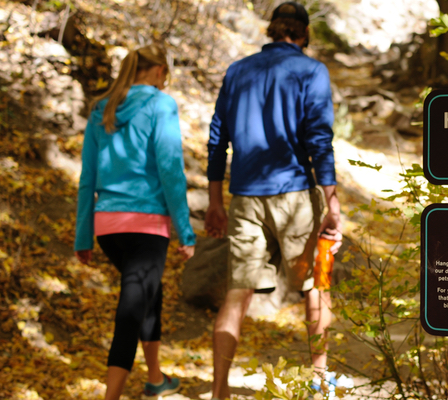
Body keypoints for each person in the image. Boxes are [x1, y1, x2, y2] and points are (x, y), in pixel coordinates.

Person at [204, 2, 343, 398]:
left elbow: (218, 140)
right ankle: (319, 383)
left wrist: (215, 200)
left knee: (236, 294)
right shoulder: (311, 71)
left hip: (245, 197)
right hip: (296, 194)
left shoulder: (238, 70)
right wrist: (331, 202)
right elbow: (320, 141)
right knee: (316, 286)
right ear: (303, 34)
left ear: (272, 30)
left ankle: (218, 391)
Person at [73, 43, 196, 400]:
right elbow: (171, 169)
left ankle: (155, 378)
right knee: (131, 309)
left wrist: (83, 235)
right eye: (166, 77)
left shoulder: (103, 108)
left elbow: (87, 177)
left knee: (146, 293)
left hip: (107, 228)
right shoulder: (161, 105)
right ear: (158, 71)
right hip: (146, 227)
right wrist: (185, 231)